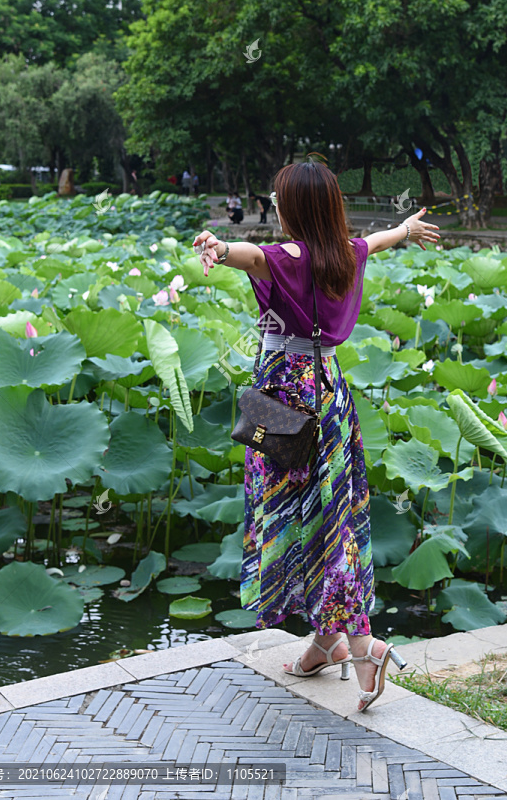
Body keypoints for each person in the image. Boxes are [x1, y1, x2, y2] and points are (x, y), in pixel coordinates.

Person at [193, 159, 439, 713]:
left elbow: (248, 254)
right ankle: (327, 642)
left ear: (296, 209)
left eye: (280, 202)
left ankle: (361, 644)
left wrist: (215, 245)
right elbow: (376, 241)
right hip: (332, 398)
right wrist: (407, 230)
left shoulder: (282, 258)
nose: (275, 209)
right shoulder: (343, 253)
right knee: (334, 517)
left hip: (282, 403)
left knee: (293, 517)